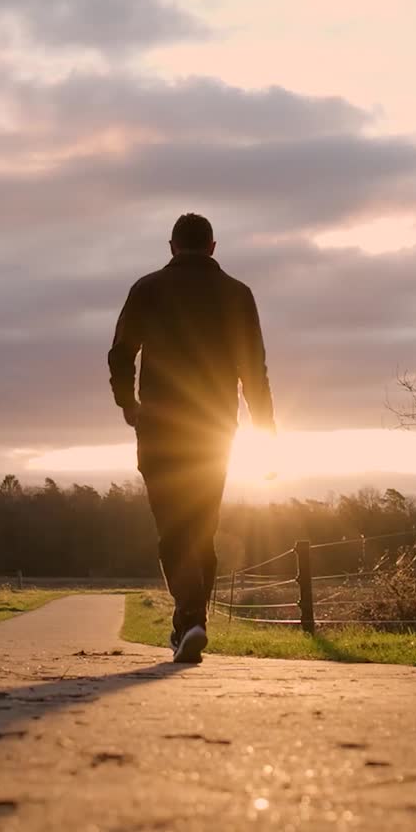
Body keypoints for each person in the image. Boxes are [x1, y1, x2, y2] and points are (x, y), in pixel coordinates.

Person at [108, 213, 275, 663]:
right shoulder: (238, 295)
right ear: (213, 247)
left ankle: (189, 618)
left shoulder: (148, 288)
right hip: (214, 430)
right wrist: (266, 433)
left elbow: (121, 351)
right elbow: (253, 370)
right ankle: (192, 620)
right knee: (201, 527)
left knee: (174, 527)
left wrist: (128, 403)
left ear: (171, 247)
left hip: (160, 427)